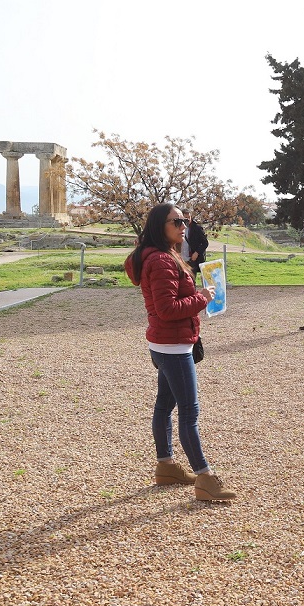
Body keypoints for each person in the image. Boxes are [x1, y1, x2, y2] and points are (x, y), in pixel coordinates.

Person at [124, 203, 234, 502]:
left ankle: (167, 466)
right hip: (173, 346)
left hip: (165, 344)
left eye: (185, 220)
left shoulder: (164, 254)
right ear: (161, 226)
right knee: (189, 411)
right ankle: (205, 477)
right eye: (177, 221)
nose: (184, 226)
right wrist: (202, 297)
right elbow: (167, 308)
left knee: (164, 405)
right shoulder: (161, 260)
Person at [182, 210, 209, 275]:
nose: (188, 220)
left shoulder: (197, 228)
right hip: (180, 259)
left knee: (191, 281)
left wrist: (197, 253)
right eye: (185, 218)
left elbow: (205, 243)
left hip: (191, 260)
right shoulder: (177, 228)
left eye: (189, 217)